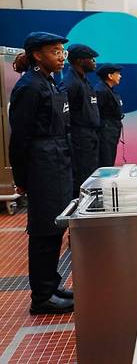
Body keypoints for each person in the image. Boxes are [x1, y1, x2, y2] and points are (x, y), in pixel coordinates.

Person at [9, 32, 74, 314]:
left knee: (55, 229)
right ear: (37, 55)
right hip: (41, 166)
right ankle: (42, 297)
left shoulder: (48, 82)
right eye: (54, 51)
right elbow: (19, 138)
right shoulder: (30, 87)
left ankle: (51, 284)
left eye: (62, 51)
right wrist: (22, 180)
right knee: (43, 233)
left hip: (56, 163)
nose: (61, 56)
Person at [59, 44, 101, 195]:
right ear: (80, 61)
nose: (94, 62)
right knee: (82, 177)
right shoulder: (70, 83)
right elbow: (62, 112)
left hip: (90, 136)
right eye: (91, 59)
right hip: (79, 138)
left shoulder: (84, 81)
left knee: (91, 173)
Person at [94, 63, 124, 167]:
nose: (120, 76)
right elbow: (97, 113)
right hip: (105, 132)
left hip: (112, 130)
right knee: (106, 162)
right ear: (110, 76)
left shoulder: (109, 90)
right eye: (118, 73)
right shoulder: (101, 91)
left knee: (110, 159)